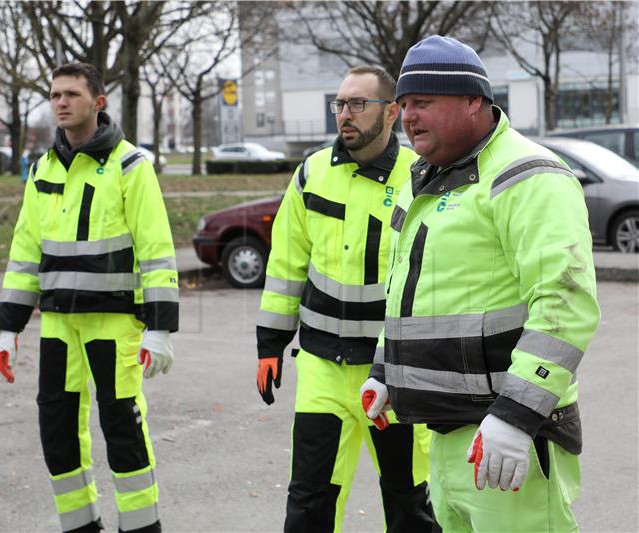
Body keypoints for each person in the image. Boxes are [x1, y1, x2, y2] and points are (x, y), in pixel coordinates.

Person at [360, 35, 601, 532]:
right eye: (404, 104)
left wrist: (515, 416)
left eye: (423, 102)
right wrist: (385, 372)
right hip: (449, 438)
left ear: (474, 101)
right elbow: (407, 292)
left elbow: (564, 303)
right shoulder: (424, 177)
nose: (408, 117)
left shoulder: (526, 174)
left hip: (511, 441)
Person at [0, 62, 178, 533]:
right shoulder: (42, 168)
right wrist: (8, 329)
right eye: (55, 94)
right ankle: (79, 526)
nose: (60, 102)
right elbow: (25, 251)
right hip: (57, 326)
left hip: (114, 326)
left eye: (71, 94)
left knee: (123, 432)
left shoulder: (131, 165)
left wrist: (158, 330)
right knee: (57, 433)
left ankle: (140, 528)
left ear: (98, 102)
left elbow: (156, 252)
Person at [256, 65, 436, 532]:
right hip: (322, 368)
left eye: (358, 103)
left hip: (395, 371)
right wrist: (270, 344)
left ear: (392, 112)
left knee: (409, 505)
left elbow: (437, 276)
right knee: (309, 505)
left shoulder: (421, 176)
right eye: (340, 104)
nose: (344, 114)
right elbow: (286, 263)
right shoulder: (312, 173)